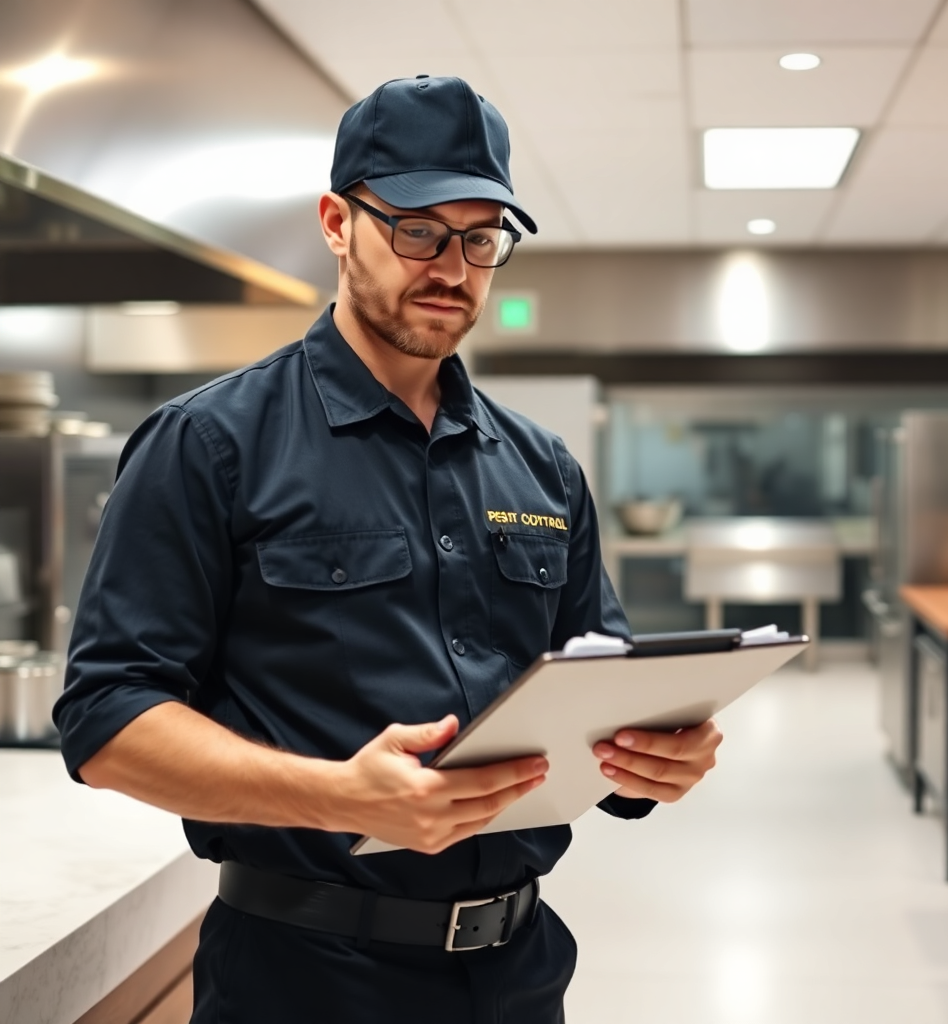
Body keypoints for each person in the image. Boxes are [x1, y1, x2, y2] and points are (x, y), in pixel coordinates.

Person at [54, 75, 722, 1024]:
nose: (451, 266)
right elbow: (106, 720)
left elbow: (595, 687)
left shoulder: (543, 469)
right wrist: (341, 798)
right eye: (417, 229)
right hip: (303, 979)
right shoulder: (210, 443)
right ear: (337, 221)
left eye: (480, 238)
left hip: (518, 975)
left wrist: (651, 762)